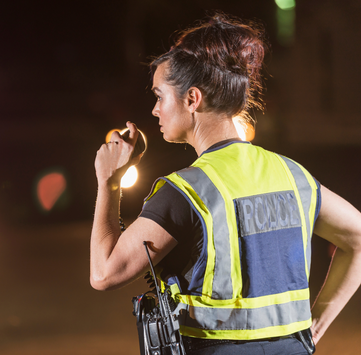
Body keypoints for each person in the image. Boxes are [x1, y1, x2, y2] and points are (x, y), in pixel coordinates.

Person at [90, 13, 361, 355]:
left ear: (192, 99)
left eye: (160, 96)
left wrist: (109, 182)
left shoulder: (186, 191)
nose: (155, 110)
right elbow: (358, 237)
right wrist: (314, 328)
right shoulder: (293, 176)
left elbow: (104, 274)